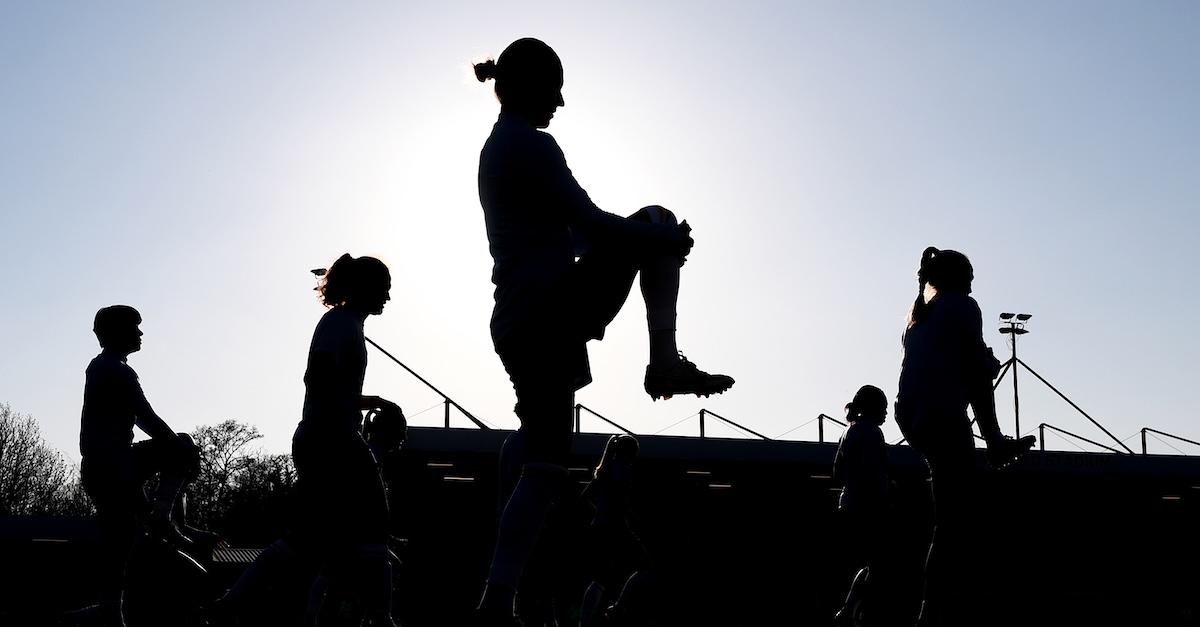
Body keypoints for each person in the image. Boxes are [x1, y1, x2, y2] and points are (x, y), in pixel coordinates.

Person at [471, 37, 733, 625]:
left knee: (536, 453)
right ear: (531, 85)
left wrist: (646, 242)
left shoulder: (501, 148)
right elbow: (590, 221)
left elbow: (574, 235)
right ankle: (663, 361)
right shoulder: (529, 144)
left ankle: (507, 597)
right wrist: (660, 239)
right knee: (657, 217)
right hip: (545, 310)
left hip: (521, 316)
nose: (561, 101)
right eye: (555, 87)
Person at [894, 247, 1035, 627]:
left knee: (949, 518)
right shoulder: (962, 305)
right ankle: (930, 611)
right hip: (940, 416)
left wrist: (983, 363)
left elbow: (955, 362)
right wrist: (988, 364)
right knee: (952, 523)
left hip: (913, 417)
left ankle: (932, 607)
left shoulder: (918, 316)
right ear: (957, 279)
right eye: (969, 276)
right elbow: (976, 369)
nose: (973, 284)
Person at [289, 253, 405, 627]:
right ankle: (380, 617)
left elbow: (330, 384)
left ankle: (240, 601)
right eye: (384, 288)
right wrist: (346, 415)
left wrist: (375, 401)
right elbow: (318, 377)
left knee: (323, 539)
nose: (388, 296)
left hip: (323, 435)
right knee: (375, 522)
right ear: (365, 289)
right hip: (332, 437)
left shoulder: (345, 323)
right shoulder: (342, 323)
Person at [70, 305, 203, 627]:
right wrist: (184, 452)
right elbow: (147, 417)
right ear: (117, 332)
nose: (141, 333)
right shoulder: (115, 370)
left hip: (101, 468)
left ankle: (111, 608)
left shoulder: (103, 367)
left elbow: (140, 419)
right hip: (113, 465)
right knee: (181, 443)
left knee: (121, 543)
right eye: (134, 327)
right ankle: (162, 517)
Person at [832, 385, 892, 627]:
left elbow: (837, 471)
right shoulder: (872, 432)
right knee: (880, 564)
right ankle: (857, 613)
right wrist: (884, 499)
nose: (886, 413)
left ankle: (850, 611)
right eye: (883, 407)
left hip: (849, 503)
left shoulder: (848, 432)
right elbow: (871, 472)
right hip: (868, 505)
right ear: (874, 408)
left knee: (872, 563)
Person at [579, 435, 652, 627]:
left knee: (600, 579)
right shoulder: (623, 469)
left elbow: (584, 498)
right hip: (616, 527)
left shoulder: (604, 470)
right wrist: (633, 518)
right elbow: (619, 501)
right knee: (646, 568)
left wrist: (600, 512)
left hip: (599, 526)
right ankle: (617, 608)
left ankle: (584, 622)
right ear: (629, 453)